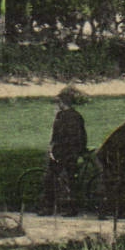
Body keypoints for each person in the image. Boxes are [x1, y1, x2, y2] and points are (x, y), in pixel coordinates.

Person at [39, 87, 88, 216]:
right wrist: (81, 151)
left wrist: (53, 147)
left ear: (62, 103)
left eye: (59, 102)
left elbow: (57, 135)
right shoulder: (77, 116)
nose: (58, 104)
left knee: (51, 178)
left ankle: (49, 207)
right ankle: (71, 208)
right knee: (71, 180)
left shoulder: (61, 116)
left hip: (62, 153)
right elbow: (82, 136)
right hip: (72, 152)